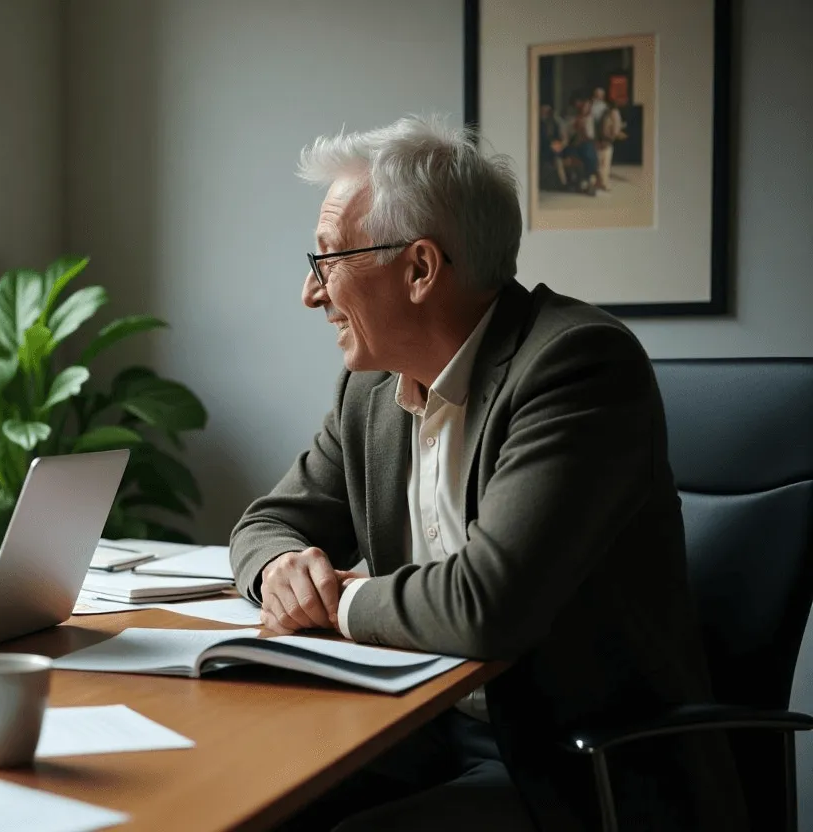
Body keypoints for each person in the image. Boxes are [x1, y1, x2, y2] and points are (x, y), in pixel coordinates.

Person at [230, 116, 744, 830]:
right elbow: (265, 523)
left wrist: (341, 604)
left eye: (328, 261)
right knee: (239, 801)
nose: (311, 295)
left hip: (567, 762)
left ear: (419, 269)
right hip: (416, 725)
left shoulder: (577, 366)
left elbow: (486, 604)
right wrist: (281, 569)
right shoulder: (372, 391)